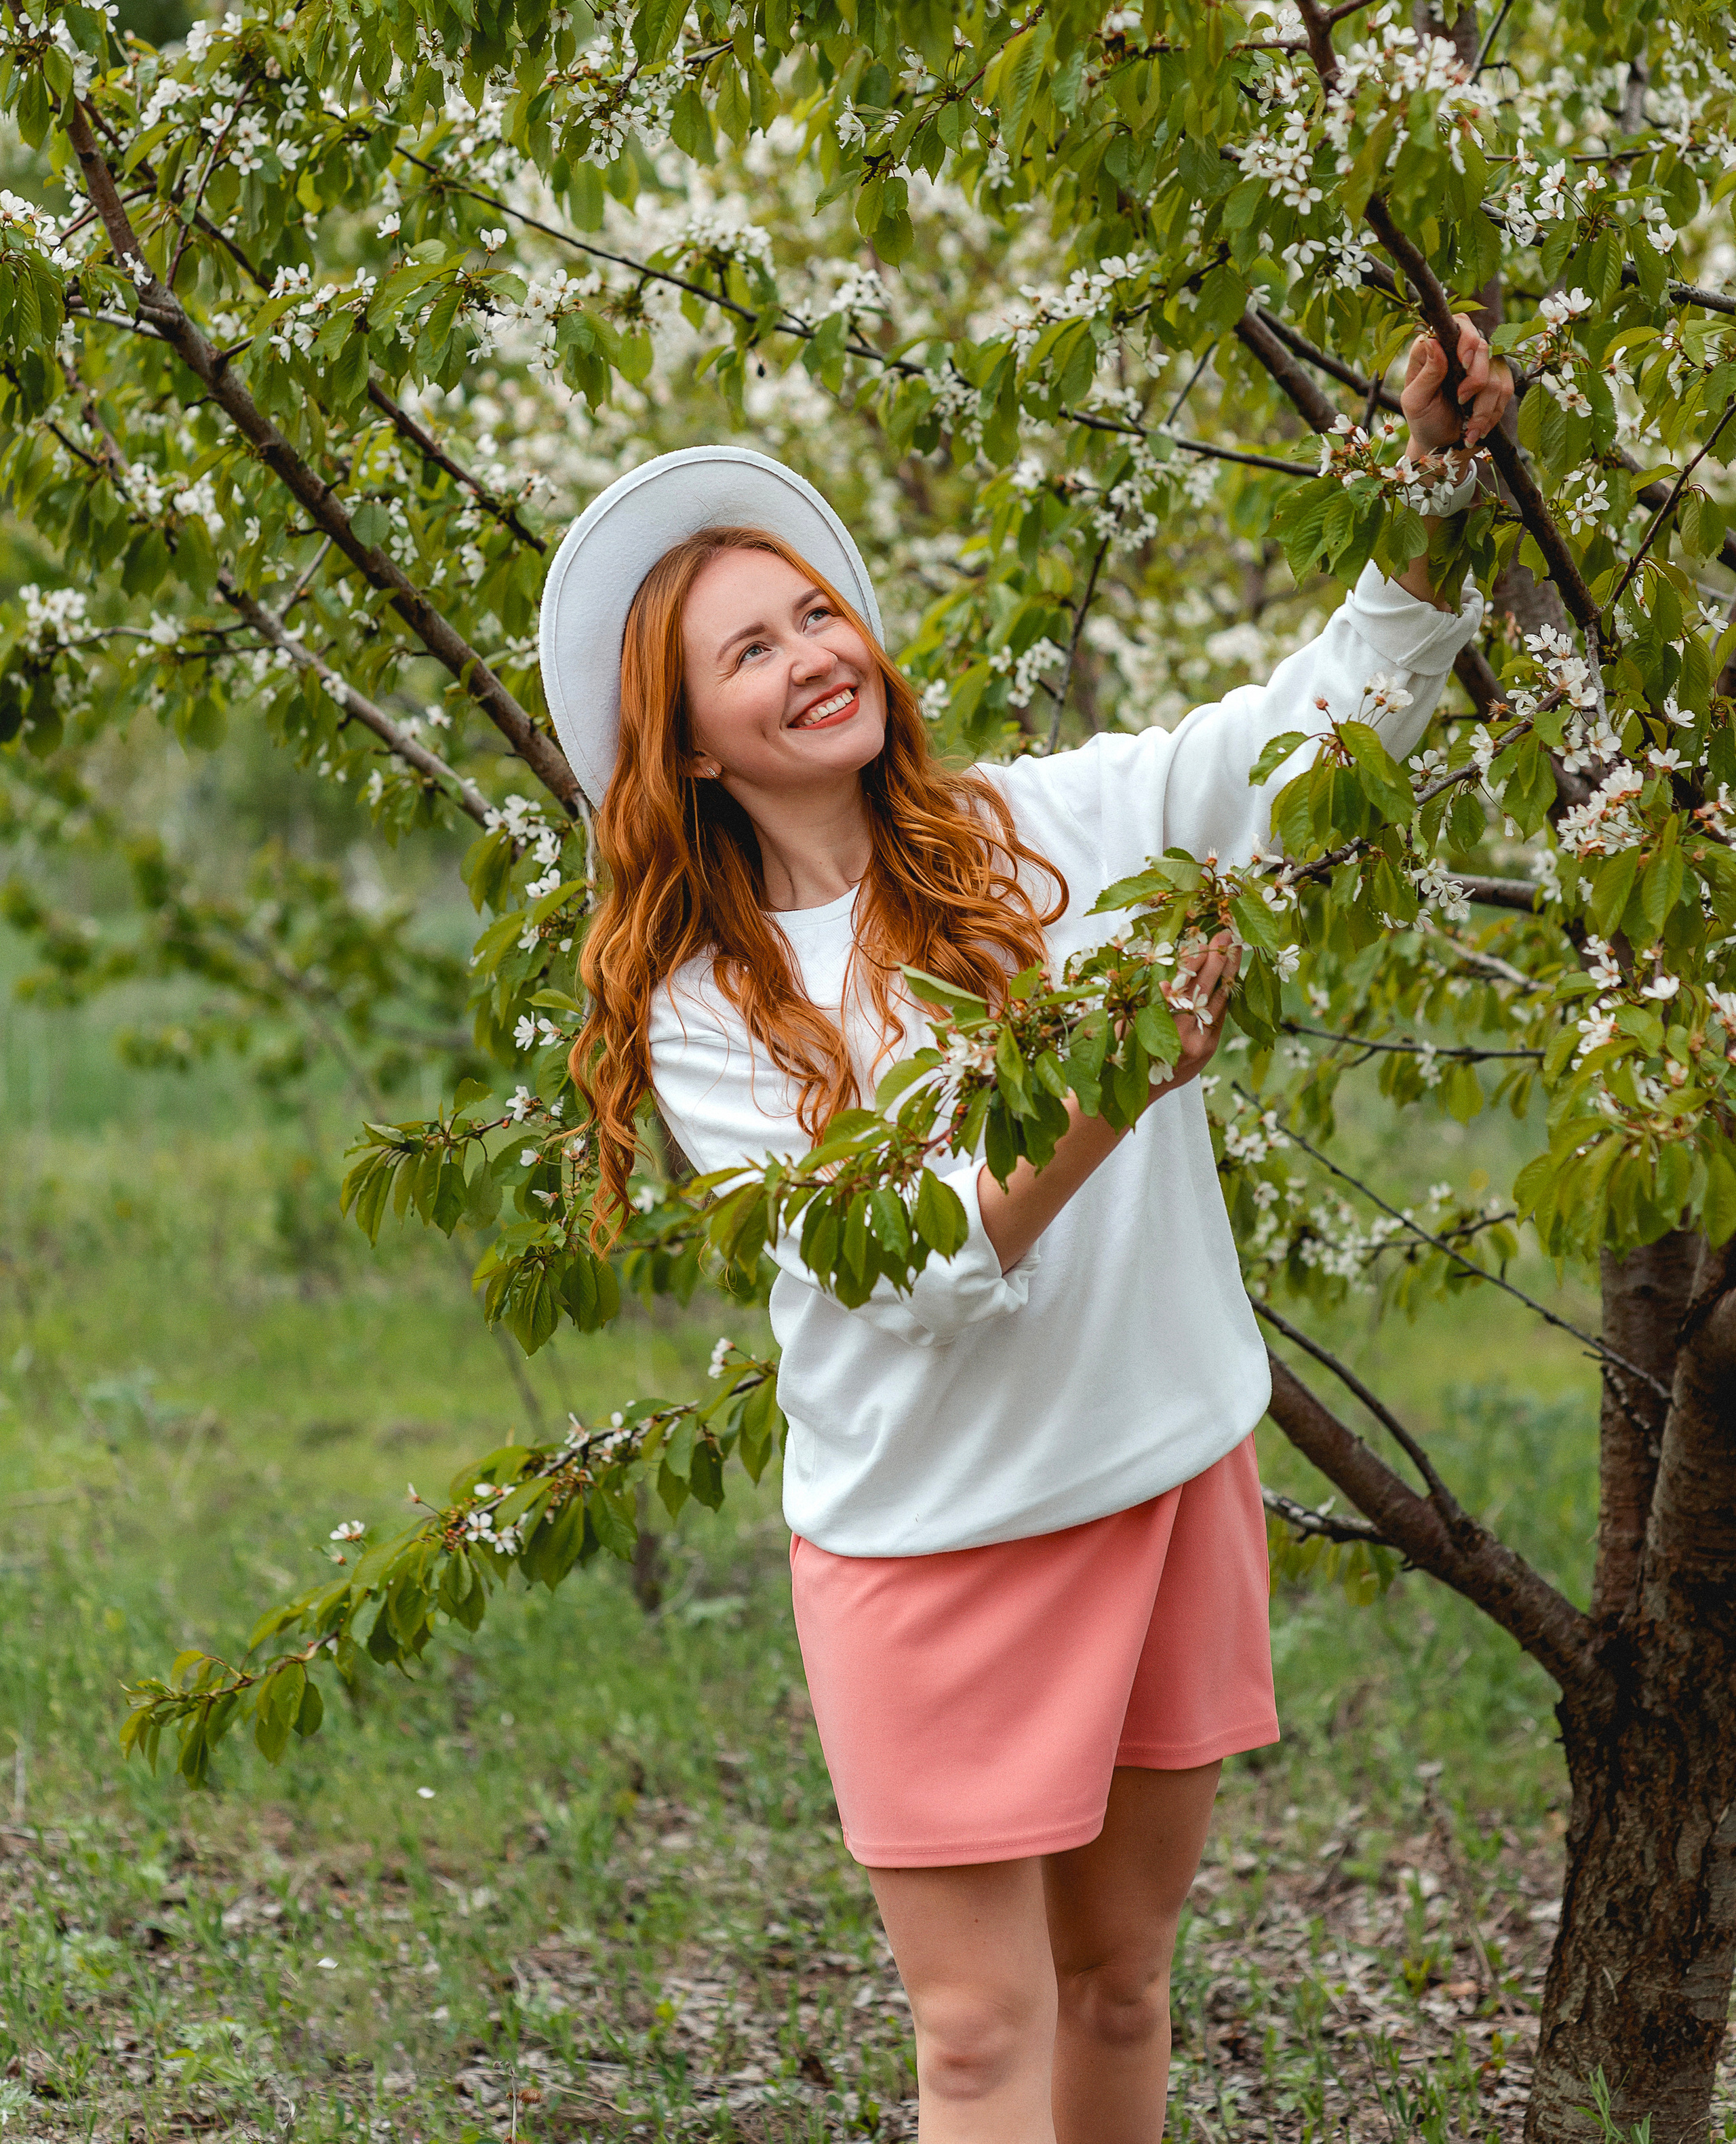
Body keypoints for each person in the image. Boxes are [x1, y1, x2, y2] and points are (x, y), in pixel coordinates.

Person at [538, 320, 1512, 2143]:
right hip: (936, 1540)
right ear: (682, 739)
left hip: (1149, 1469)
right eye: (750, 649)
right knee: (981, 2034)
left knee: (1123, 1981)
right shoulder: (708, 1002)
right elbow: (895, 1265)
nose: (813, 654)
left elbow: (1306, 733)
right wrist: (1107, 1098)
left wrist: (1433, 495)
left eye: (818, 613)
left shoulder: (1035, 831)